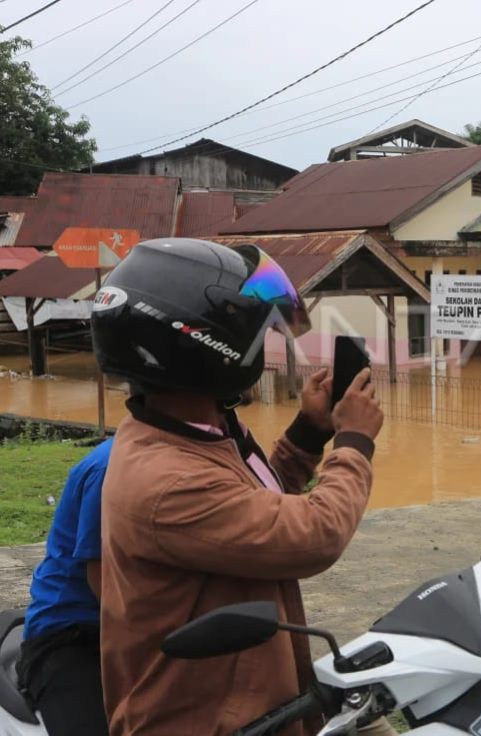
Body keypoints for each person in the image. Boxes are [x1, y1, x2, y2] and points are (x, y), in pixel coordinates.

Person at [91, 238, 390, 736]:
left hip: (248, 695)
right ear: (209, 348)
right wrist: (354, 440)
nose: (265, 352)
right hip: (202, 719)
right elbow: (314, 535)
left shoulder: (192, 430)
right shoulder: (165, 482)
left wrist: (310, 431)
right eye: (258, 340)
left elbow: (255, 506)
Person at [16, 438, 113, 736]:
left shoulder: (218, 453)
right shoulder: (109, 468)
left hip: (140, 627)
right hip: (74, 631)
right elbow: (102, 581)